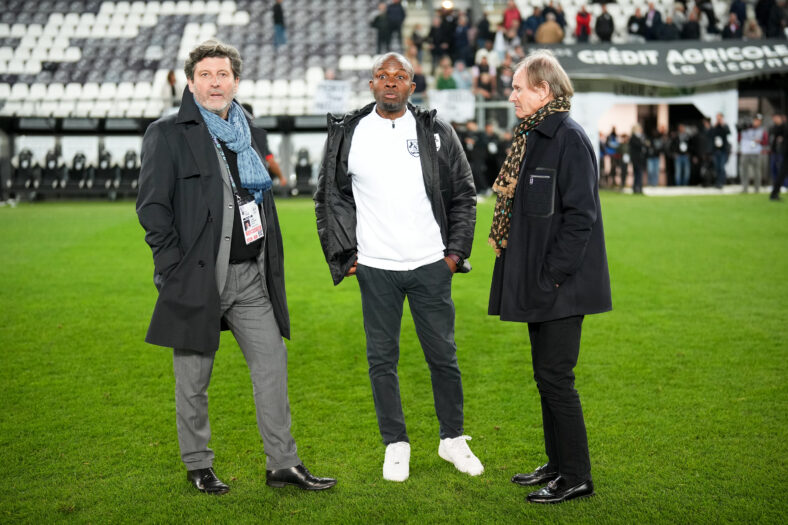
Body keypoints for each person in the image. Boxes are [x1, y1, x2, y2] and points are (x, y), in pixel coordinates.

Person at [136, 40, 336, 495]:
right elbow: (152, 208)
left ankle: (282, 463)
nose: (214, 82)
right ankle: (197, 465)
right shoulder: (166, 134)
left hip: (250, 276)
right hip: (197, 276)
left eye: (222, 74)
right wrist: (172, 269)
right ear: (191, 82)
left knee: (272, 366)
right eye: (205, 74)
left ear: (236, 81)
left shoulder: (250, 130)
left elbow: (259, 201)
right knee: (193, 379)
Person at [314, 52, 481, 483]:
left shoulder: (436, 130)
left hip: (431, 264)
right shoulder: (348, 133)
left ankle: (453, 440)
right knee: (381, 360)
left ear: (412, 85)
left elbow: (463, 193)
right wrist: (345, 255)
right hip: (375, 268)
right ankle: (396, 444)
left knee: (443, 357)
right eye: (382, 76)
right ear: (371, 85)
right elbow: (329, 199)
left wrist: (454, 256)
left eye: (400, 76)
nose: (391, 82)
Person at [488, 49, 611, 504]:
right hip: (543, 283)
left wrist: (552, 275)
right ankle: (558, 464)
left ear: (544, 90)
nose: (512, 95)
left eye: (519, 87)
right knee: (546, 376)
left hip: (561, 285)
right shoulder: (534, 135)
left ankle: (576, 475)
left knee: (556, 377)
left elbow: (581, 218)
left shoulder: (568, 139)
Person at [739, 114, 768, 193]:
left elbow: (765, 142)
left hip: (756, 152)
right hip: (745, 152)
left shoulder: (762, 130)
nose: (756, 122)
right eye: (755, 120)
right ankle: (745, 188)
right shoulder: (745, 128)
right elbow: (739, 138)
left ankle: (757, 188)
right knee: (744, 171)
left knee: (757, 171)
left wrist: (760, 141)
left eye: (758, 121)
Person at [711, 113, 732, 188]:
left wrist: (722, 124)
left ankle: (722, 182)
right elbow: (710, 134)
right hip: (716, 150)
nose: (718, 119)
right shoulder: (715, 126)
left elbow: (729, 132)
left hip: (723, 150)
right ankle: (717, 182)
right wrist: (715, 126)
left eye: (719, 118)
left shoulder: (725, 126)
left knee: (721, 166)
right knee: (716, 167)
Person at [630, 123, 646, 193]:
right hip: (636, 159)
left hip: (639, 159)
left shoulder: (639, 137)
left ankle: (637, 187)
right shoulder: (633, 138)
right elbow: (639, 145)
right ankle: (637, 188)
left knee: (638, 173)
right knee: (638, 173)